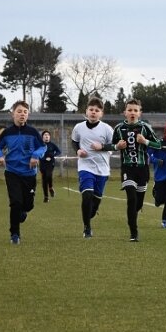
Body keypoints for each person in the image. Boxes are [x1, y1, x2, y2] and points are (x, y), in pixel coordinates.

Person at [0, 100, 47, 245]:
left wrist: (36, 156)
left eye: (25, 112)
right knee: (15, 203)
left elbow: (42, 148)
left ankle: (22, 213)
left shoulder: (33, 132)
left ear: (28, 115)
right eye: (19, 112)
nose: (22, 115)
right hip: (12, 172)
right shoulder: (7, 133)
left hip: (29, 174)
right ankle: (14, 234)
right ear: (13, 114)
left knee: (28, 205)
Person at [112, 99, 161, 242]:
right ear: (124, 112)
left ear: (140, 113)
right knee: (131, 199)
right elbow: (111, 144)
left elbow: (159, 145)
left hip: (143, 169)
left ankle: (132, 218)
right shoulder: (118, 128)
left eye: (135, 110)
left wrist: (145, 141)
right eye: (130, 110)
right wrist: (117, 146)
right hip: (127, 168)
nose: (132, 113)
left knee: (138, 204)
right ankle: (134, 233)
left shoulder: (145, 127)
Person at [70, 97, 117, 239]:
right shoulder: (78, 127)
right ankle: (87, 228)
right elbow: (74, 142)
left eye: (97, 110)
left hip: (102, 169)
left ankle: (92, 212)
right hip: (85, 166)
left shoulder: (107, 129)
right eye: (91, 109)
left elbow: (114, 146)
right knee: (87, 195)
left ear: (101, 113)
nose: (93, 112)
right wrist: (78, 151)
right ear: (86, 111)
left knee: (94, 203)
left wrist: (101, 147)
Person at [39, 130, 62, 202]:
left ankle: (51, 187)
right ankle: (46, 197)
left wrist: (52, 156)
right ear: (42, 137)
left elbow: (59, 151)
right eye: (45, 135)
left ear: (49, 137)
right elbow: (38, 154)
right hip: (42, 164)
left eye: (48, 135)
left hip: (50, 163)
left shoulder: (52, 145)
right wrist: (44, 158)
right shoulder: (40, 145)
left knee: (49, 175)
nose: (46, 136)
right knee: (44, 180)